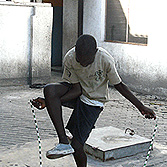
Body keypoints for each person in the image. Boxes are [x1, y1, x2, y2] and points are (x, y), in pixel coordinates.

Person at [31, 34, 156, 167]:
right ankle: (63, 142)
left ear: (95, 53)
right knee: (50, 90)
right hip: (78, 92)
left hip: (93, 101)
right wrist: (50, 101)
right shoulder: (70, 57)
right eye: (80, 60)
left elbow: (119, 85)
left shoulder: (105, 59)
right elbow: (76, 89)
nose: (83, 64)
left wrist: (141, 107)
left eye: (87, 61)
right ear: (75, 51)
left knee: (77, 145)